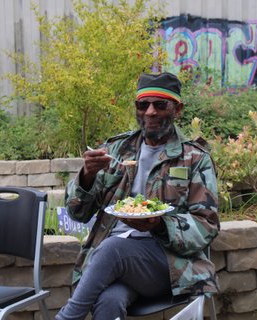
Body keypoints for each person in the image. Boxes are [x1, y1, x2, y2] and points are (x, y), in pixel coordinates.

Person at [56, 72, 220, 320]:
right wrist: (86, 177)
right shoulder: (116, 151)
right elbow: (77, 212)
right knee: (109, 302)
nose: (150, 112)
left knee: (112, 248)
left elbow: (206, 226)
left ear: (178, 110)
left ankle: (67, 318)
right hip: (118, 263)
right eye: (143, 105)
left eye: (160, 105)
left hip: (168, 261)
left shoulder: (195, 158)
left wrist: (160, 225)